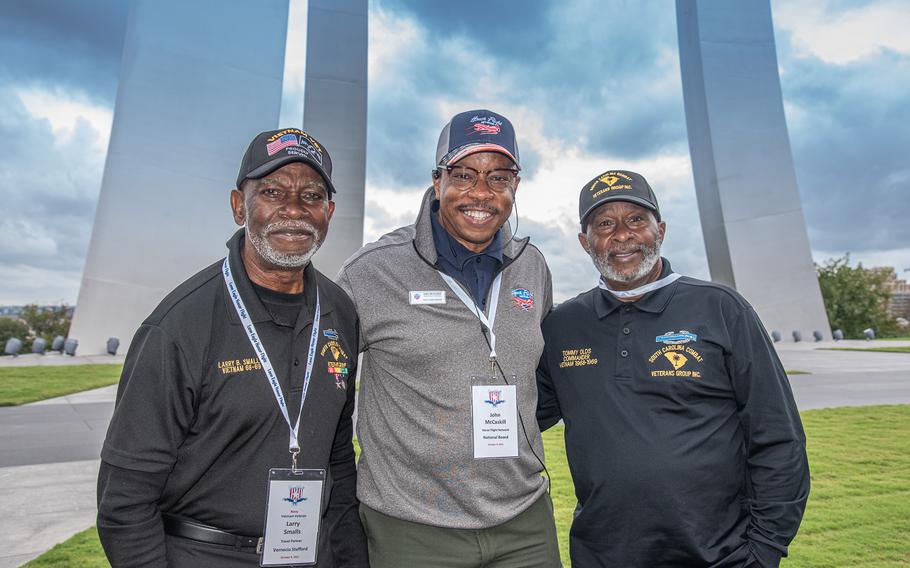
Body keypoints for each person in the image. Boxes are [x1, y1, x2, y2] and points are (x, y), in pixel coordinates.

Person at [97, 128, 368, 567]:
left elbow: (337, 459)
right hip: (203, 553)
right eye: (273, 192)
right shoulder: (180, 324)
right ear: (239, 206)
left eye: (312, 196)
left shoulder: (339, 312)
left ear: (329, 211)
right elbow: (124, 502)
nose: (294, 211)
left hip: (311, 551)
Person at [537, 169, 810, 567]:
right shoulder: (563, 325)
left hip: (719, 556)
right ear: (585, 241)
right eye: (605, 224)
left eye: (636, 220)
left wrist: (764, 549)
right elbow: (521, 416)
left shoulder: (721, 308)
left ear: (659, 230)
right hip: (602, 555)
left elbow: (778, 438)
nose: (622, 235)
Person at [336, 109, 561, 567]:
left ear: (515, 187)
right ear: (437, 181)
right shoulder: (373, 271)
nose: (481, 192)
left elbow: (540, 372)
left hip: (524, 522)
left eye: (499, 178)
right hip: (412, 527)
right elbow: (324, 384)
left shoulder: (533, 266)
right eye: (463, 174)